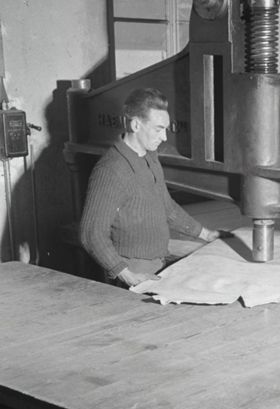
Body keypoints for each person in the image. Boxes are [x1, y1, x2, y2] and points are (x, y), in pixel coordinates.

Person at [80, 87, 231, 287]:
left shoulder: (150, 157)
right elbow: (91, 233)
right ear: (135, 125)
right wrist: (127, 275)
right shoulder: (111, 169)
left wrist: (205, 234)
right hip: (133, 269)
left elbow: (167, 207)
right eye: (158, 129)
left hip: (157, 262)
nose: (164, 137)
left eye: (166, 129)